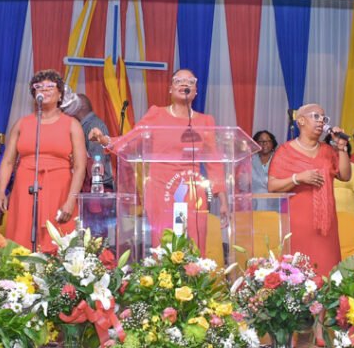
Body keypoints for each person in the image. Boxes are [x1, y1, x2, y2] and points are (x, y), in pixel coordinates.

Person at [90, 68, 222, 253]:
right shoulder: (156, 114)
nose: (184, 84)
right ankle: (164, 281)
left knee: (193, 241)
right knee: (164, 242)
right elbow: (130, 141)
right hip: (160, 186)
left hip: (192, 187)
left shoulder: (206, 121)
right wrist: (105, 140)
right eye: (178, 81)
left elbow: (214, 160)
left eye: (190, 82)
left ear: (196, 91)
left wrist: (222, 198)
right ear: (170, 88)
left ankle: (193, 278)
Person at [0, 70, 87, 252]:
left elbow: (80, 166)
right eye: (39, 87)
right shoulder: (22, 124)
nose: (44, 90)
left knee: (58, 240)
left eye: (50, 87)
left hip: (59, 189)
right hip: (25, 188)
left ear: (60, 93)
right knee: (21, 238)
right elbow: (7, 162)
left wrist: (71, 200)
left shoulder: (72, 124)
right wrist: (0, 192)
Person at [268, 104, 350, 273]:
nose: (321, 122)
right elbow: (272, 185)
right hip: (298, 225)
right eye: (316, 116)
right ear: (301, 121)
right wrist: (297, 178)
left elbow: (345, 175)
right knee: (300, 275)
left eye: (324, 118)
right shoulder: (285, 151)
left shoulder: (328, 151)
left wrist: (341, 148)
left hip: (326, 227)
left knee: (328, 272)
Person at [73, 93, 114, 190]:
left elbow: (97, 162)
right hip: (91, 187)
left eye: (71, 106)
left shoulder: (94, 126)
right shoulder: (82, 126)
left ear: (80, 107)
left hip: (98, 188)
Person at [251, 130, 277, 194]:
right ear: (256, 143)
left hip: (275, 200)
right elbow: (243, 184)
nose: (265, 143)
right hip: (255, 201)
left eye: (268, 140)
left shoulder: (279, 159)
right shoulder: (249, 160)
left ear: (273, 143)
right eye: (261, 141)